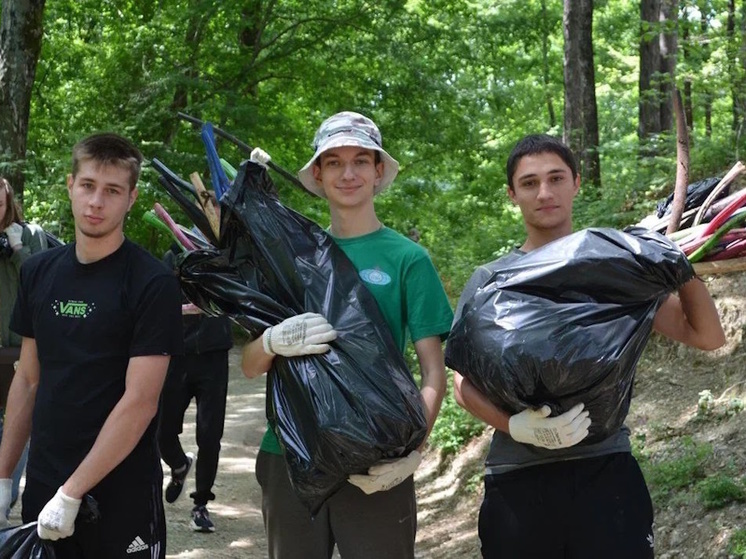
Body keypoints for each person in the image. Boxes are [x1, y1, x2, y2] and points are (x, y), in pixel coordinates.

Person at [451, 133, 725, 559]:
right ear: (512, 194)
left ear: (576, 182)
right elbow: (463, 386)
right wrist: (519, 427)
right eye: (529, 183)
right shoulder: (492, 281)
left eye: (556, 177)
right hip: (517, 480)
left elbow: (707, 336)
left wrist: (678, 265)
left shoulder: (615, 270)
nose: (545, 192)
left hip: (605, 472)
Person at [242, 111, 454, 559]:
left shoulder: (407, 259)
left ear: (379, 171)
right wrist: (272, 341)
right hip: (290, 454)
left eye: (361, 160)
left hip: (376, 458)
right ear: (317, 175)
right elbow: (249, 365)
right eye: (334, 162)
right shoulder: (291, 258)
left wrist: (412, 452)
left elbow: (433, 372)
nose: (349, 173)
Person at [0, 133, 183, 558]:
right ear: (70, 185)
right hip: (44, 485)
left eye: (112, 190)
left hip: (122, 493)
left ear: (131, 198)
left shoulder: (152, 282)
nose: (96, 202)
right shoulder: (38, 273)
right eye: (88, 186)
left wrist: (72, 493)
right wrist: (5, 476)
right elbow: (28, 381)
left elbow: (140, 402)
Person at [158, 249, 233, 533]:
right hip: (178, 354)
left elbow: (238, 296)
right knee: (162, 431)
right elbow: (160, 295)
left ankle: (201, 504)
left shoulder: (226, 257)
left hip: (214, 356)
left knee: (210, 435)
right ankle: (179, 466)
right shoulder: (175, 255)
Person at [0, 178, 48, 511]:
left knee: (17, 427)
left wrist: (19, 251)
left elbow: (42, 285)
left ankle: (3, 500)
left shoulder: (29, 234)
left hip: (20, 353)